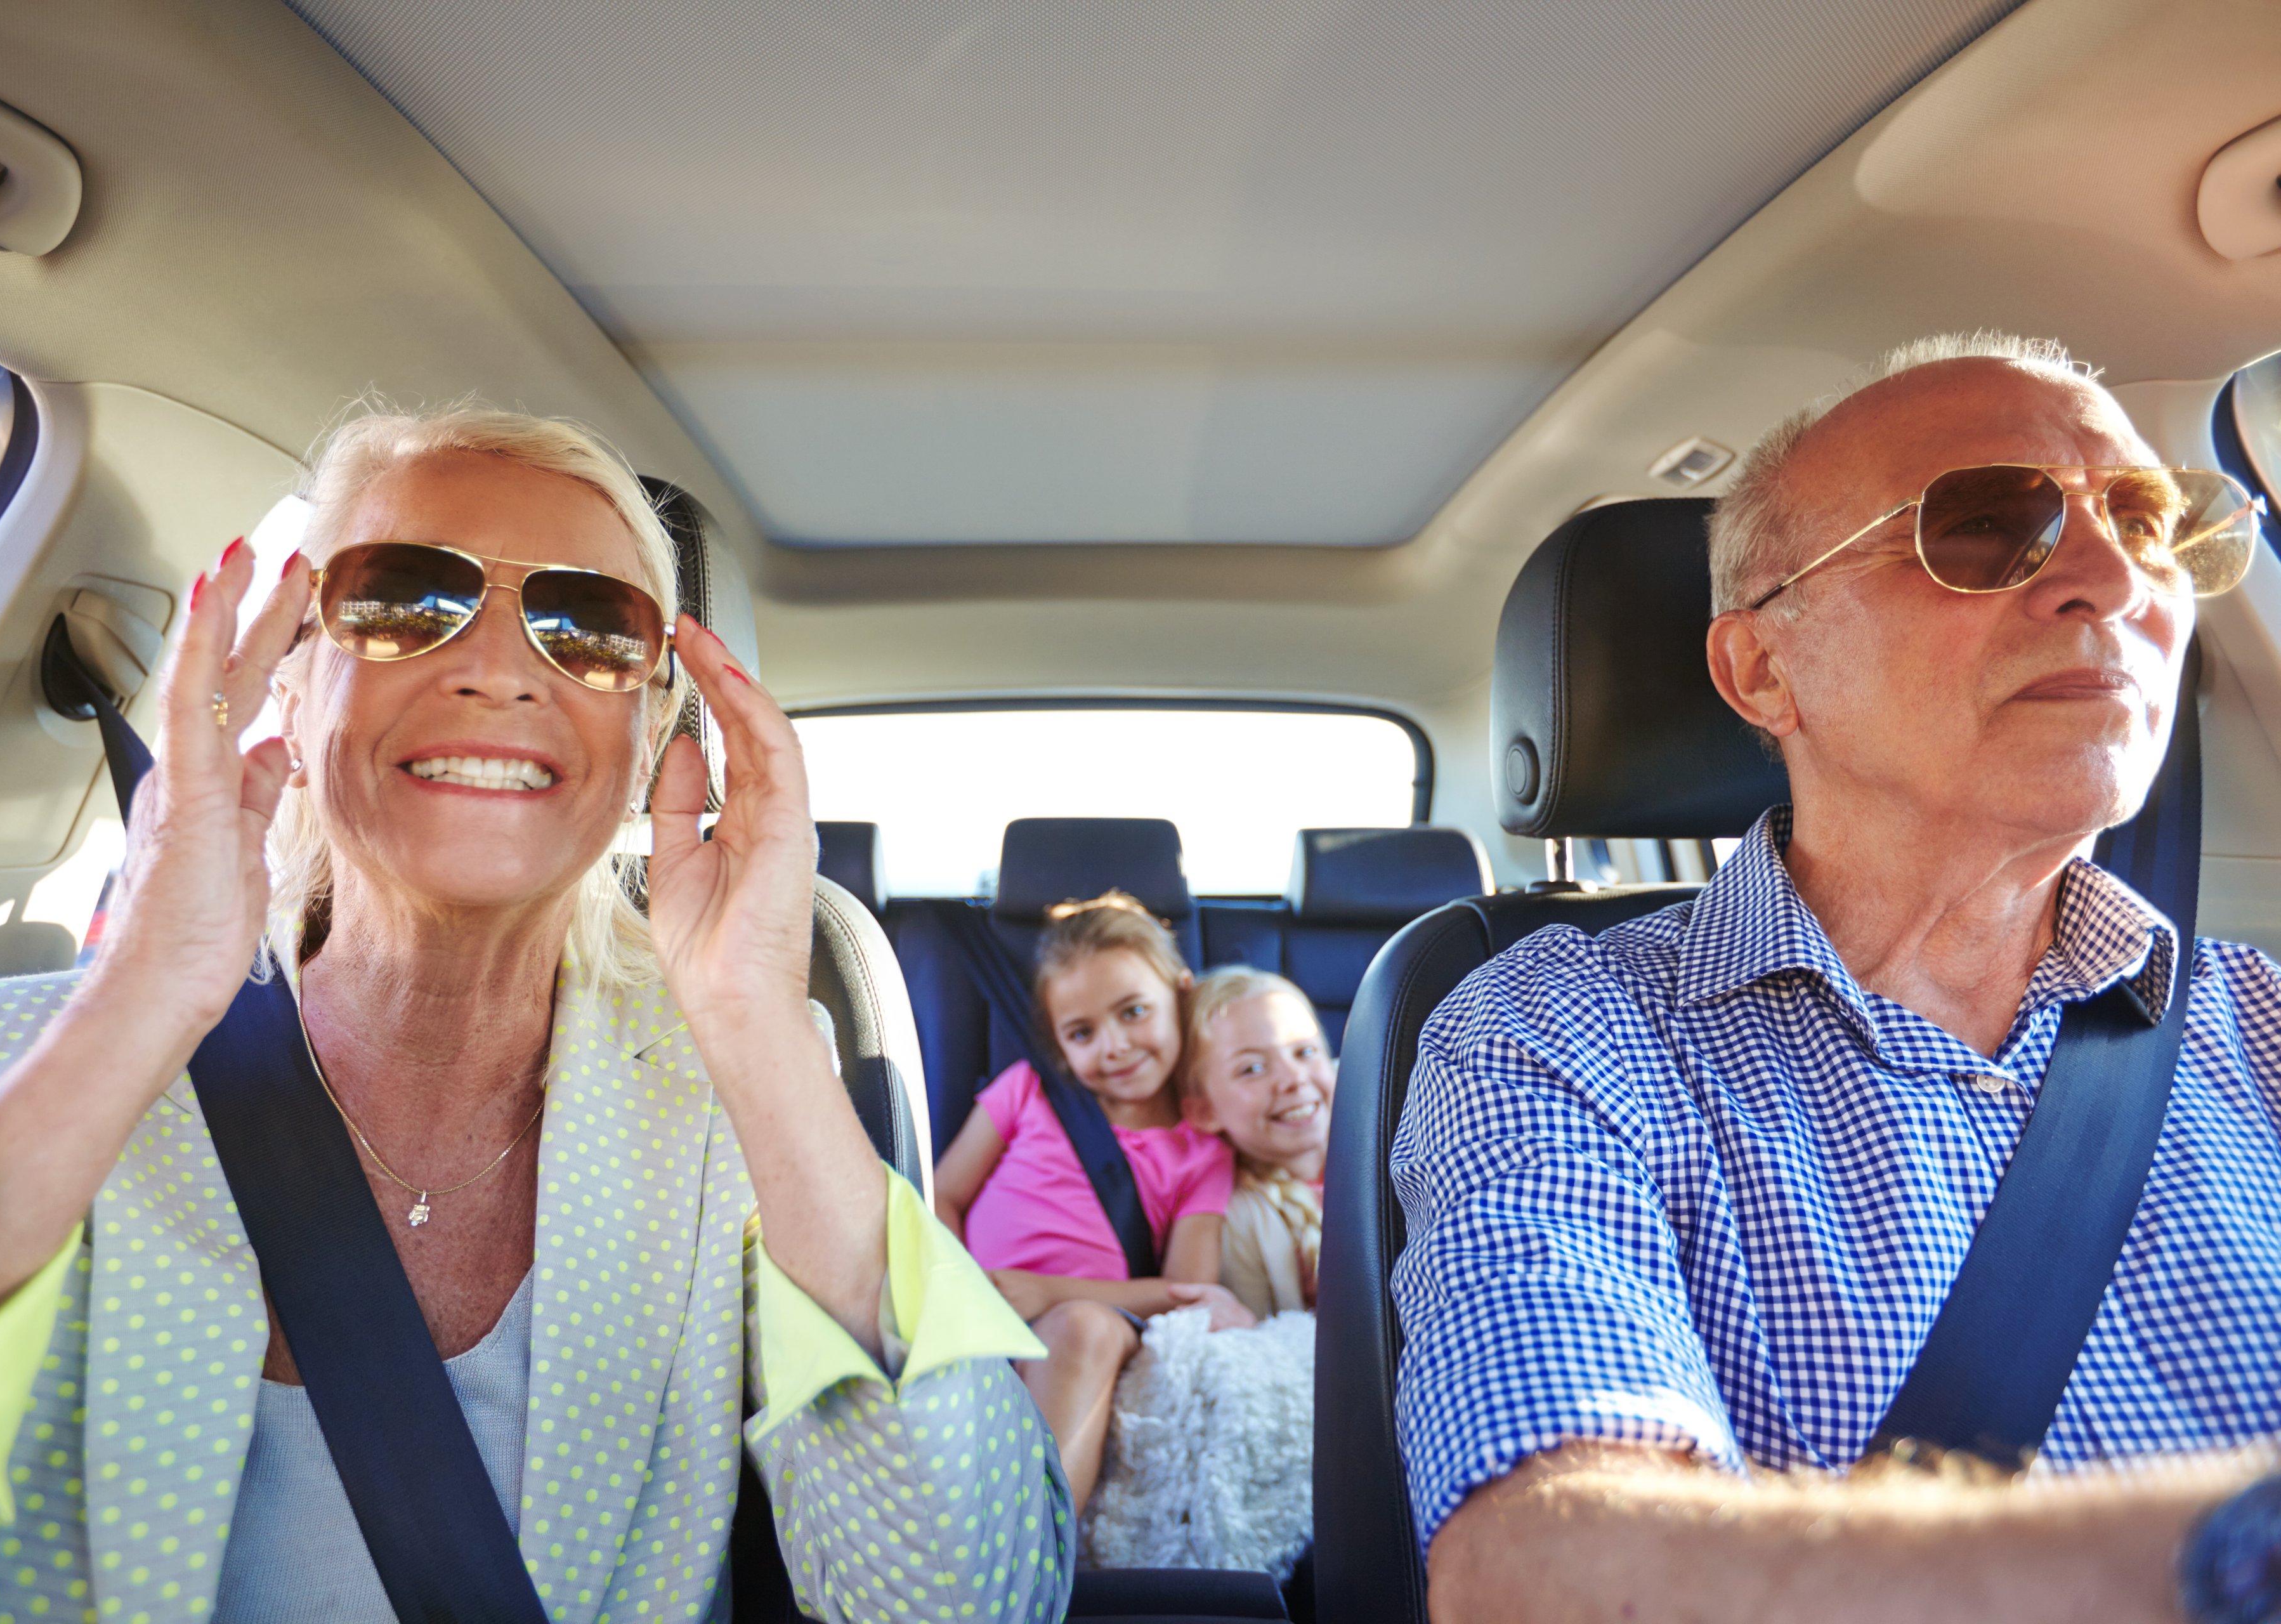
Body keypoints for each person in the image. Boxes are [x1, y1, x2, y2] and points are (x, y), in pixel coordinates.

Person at [0, 405, 1072, 1624]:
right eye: (400, 598)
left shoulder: (736, 1106)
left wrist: (756, 1024)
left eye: (588, 624)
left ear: (653, 728)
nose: (496, 668)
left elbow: (971, 1605)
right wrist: (143, 1001)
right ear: (296, 669)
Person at [1390, 333, 2281, 1624]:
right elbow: (1543, 1564)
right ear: (1764, 667)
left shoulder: (2259, 1022)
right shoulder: (1555, 1029)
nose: (2113, 579)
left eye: (2153, 523)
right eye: (1984, 527)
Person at [934, 891, 1248, 1509]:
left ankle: (1030, 1555)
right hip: (980, 1301)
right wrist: (960, 1289)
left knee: (1078, 1330)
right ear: (1058, 1044)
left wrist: (1053, 1294)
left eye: (1134, 1012)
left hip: (1094, 1315)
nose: (1113, 1046)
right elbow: (944, 1194)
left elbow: (1187, 1290)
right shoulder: (1027, 1090)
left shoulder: (1200, 1149)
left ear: (1181, 995)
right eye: (1082, 1032)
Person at [1182, 967, 1333, 1321]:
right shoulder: (1239, 1221)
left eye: (1304, 1052)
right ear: (1204, 1111)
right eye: (1252, 1069)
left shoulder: (1396, 1141)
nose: (1293, 1079)